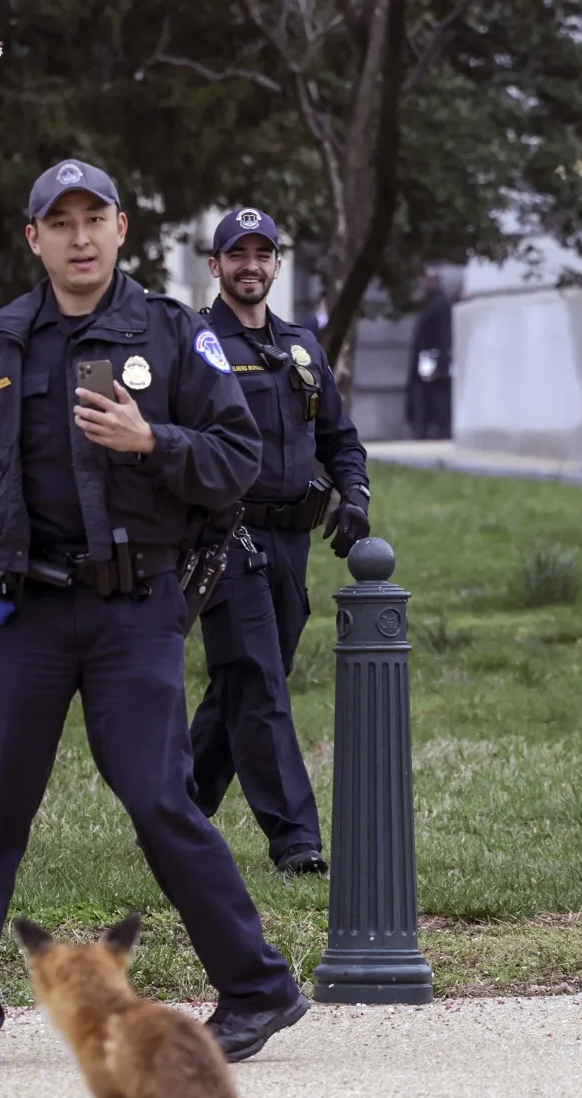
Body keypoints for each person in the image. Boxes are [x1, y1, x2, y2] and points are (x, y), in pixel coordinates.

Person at [0, 159, 310, 1068]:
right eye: (62, 222)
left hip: (135, 609)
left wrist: (152, 440)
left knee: (161, 798)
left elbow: (236, 458)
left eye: (96, 218)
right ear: (35, 238)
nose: (80, 236)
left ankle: (258, 988)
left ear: (122, 229)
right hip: (24, 613)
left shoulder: (171, 336)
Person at [191, 209, 371, 877]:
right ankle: (296, 839)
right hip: (223, 540)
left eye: (261, 253)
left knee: (244, 682)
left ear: (275, 264)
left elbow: (340, 440)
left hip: (290, 543)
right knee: (259, 682)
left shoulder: (302, 348)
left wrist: (355, 495)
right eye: (236, 254)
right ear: (215, 266)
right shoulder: (196, 345)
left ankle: (176, 805)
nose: (250, 265)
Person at [406, 270, 454, 440]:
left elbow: (444, 335)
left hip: (434, 358)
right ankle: (423, 429)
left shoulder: (441, 305)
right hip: (425, 358)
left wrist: (442, 361)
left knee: (436, 396)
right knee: (423, 396)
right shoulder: (429, 305)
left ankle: (441, 430)